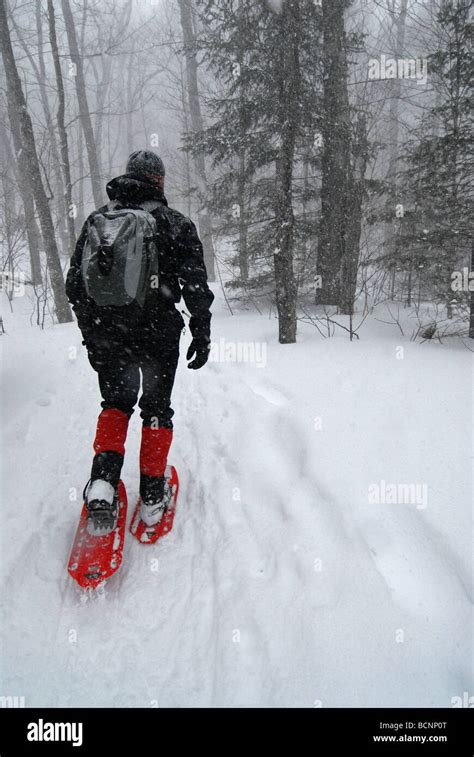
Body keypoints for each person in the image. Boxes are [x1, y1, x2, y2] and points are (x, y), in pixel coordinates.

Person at [66, 150, 214, 535]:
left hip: (109, 336)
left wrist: (92, 334)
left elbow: (74, 285)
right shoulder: (176, 223)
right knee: (156, 408)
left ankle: (102, 486)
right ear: (159, 182)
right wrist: (201, 329)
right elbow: (195, 285)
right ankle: (151, 495)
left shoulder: (99, 223)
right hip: (159, 337)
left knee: (115, 405)